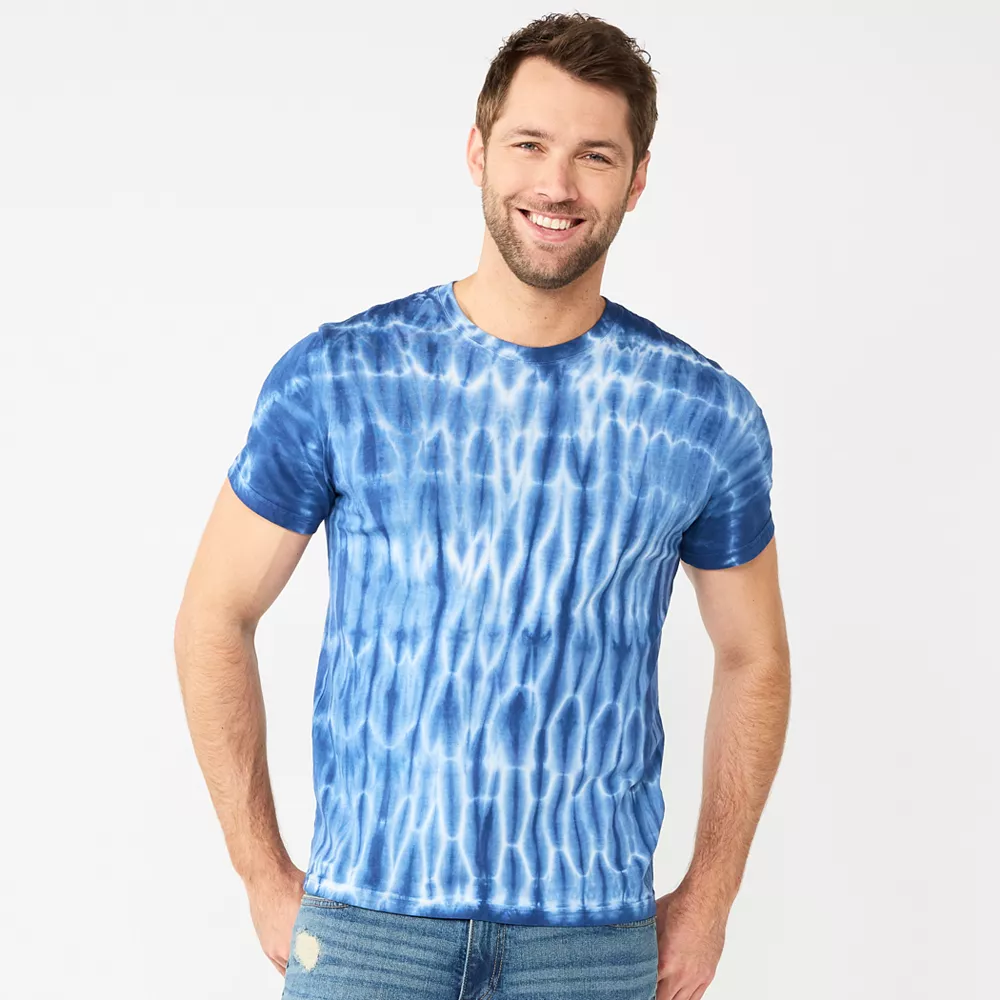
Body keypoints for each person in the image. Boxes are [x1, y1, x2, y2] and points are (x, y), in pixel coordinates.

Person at [174, 12, 790, 1000]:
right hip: (368, 929)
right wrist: (261, 871)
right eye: (530, 145)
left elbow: (754, 654)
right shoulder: (342, 377)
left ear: (636, 180)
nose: (557, 184)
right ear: (477, 151)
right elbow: (215, 613)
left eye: (595, 155)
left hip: (589, 946)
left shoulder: (700, 414)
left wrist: (710, 895)